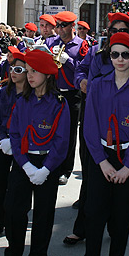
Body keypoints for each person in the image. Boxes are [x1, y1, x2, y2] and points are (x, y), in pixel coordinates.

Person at [65, 12, 129, 246]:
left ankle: (115, 228)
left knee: (121, 210)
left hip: (125, 140)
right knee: (92, 187)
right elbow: (80, 71)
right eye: (114, 31)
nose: (119, 58)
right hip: (96, 130)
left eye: (125, 53)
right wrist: (81, 82)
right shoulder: (95, 53)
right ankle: (83, 228)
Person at [83, 32, 129, 255]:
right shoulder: (97, 85)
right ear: (110, 57)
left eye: (126, 54)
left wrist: (128, 168)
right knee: (94, 216)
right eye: (115, 54)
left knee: (122, 219)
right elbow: (90, 127)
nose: (120, 59)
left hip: (128, 159)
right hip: (101, 157)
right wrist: (101, 162)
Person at [4, 49, 70, 256]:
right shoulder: (22, 101)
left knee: (43, 215)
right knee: (15, 211)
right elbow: (14, 134)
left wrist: (46, 169)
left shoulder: (59, 103)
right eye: (28, 71)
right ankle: (14, 250)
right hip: (24, 161)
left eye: (35, 71)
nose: (30, 75)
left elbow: (61, 141)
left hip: (47, 163)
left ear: (48, 75)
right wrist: (24, 164)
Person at [0, 49, 30, 240]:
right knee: (0, 183)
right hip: (4, 143)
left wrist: (16, 142)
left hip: (22, 145)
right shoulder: (5, 92)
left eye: (19, 69)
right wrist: (3, 137)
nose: (13, 72)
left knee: (21, 185)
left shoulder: (31, 95)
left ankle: (17, 219)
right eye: (12, 68)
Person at [45, 10, 89, 185]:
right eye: (58, 25)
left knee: (69, 133)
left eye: (63, 26)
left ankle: (66, 169)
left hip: (72, 93)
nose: (59, 29)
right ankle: (51, 164)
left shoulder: (81, 45)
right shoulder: (51, 42)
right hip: (54, 91)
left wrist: (68, 60)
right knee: (51, 129)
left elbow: (84, 69)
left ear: (72, 26)